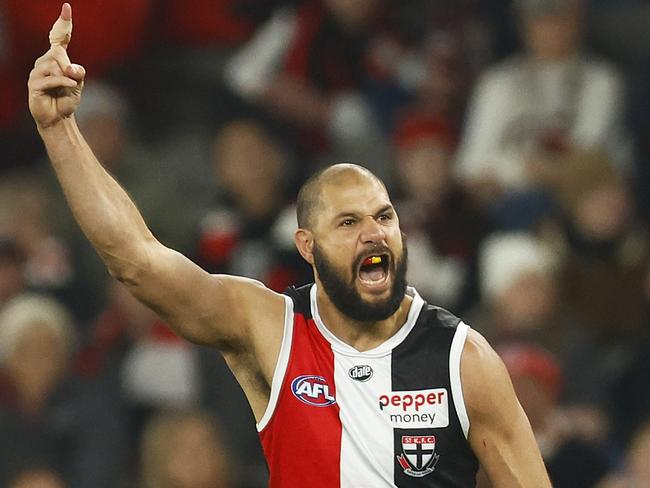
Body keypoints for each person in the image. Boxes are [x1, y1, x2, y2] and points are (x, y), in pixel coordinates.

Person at [28, 4, 550, 486]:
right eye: (348, 222)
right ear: (307, 246)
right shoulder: (271, 328)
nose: (373, 231)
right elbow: (138, 261)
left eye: (384, 216)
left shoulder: (466, 359)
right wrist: (60, 132)